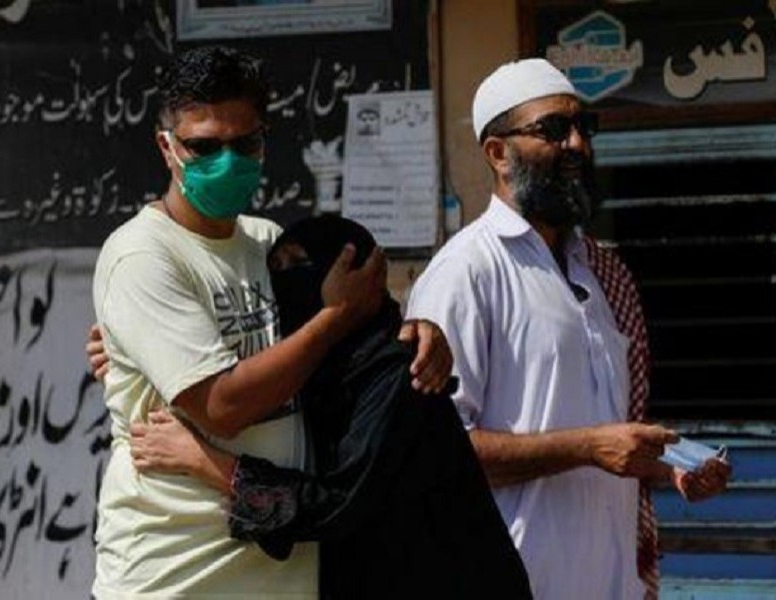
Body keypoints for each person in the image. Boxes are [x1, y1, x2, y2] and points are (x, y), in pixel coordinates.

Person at [90, 46, 451, 599]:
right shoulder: (144, 256)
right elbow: (223, 406)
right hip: (174, 576)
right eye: (204, 147)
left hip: (283, 575)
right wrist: (333, 318)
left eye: (245, 144)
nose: (227, 161)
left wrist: (414, 332)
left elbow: (357, 348)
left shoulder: (273, 247)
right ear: (167, 148)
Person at [404, 58, 732, 600]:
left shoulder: (597, 272)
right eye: (553, 130)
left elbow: (601, 436)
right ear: (497, 153)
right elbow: (436, 453)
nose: (577, 145)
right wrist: (587, 447)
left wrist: (669, 469)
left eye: (585, 128)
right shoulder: (466, 272)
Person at [128, 215, 533, 598]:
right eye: (278, 268)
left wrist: (204, 462)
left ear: (358, 279)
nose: (287, 280)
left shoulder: (400, 373)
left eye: (301, 263)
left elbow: (338, 504)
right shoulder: (316, 373)